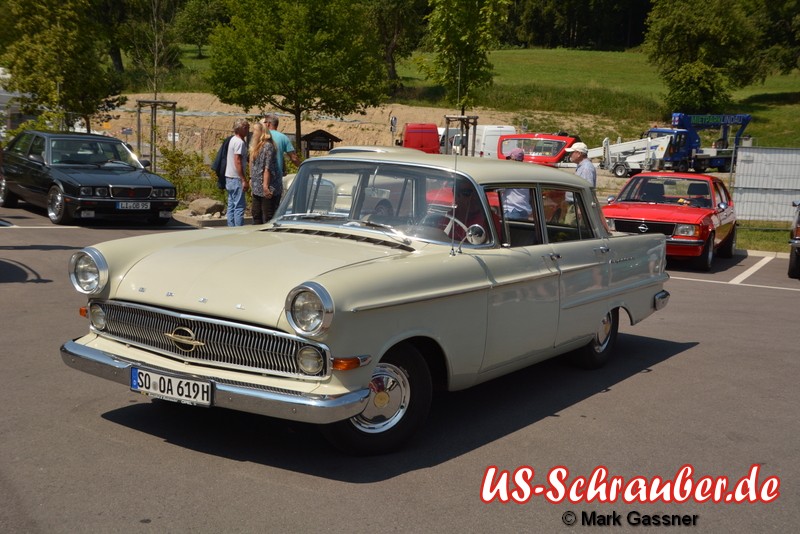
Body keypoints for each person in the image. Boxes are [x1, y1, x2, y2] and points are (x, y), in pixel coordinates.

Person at [248, 122, 280, 224]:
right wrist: (251, 178)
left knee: (268, 215)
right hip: (257, 185)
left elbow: (267, 167)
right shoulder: (256, 146)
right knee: (256, 213)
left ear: (261, 132)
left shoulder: (268, 146)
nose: (253, 133)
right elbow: (252, 163)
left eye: (255, 131)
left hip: (268, 185)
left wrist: (265, 186)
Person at [225, 118, 250, 226]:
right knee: (239, 207)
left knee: (231, 205)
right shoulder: (240, 142)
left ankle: (231, 228)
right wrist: (243, 179)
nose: (248, 130)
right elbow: (238, 161)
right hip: (236, 178)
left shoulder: (233, 140)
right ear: (240, 129)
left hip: (229, 177)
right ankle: (238, 230)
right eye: (246, 128)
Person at [261, 114, 300, 179]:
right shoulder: (283, 138)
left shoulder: (261, 136)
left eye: (265, 122)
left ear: (268, 124)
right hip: (277, 176)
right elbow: (294, 158)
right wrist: (303, 167)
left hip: (261, 175)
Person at [503, 148, 532, 220]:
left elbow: (501, 188)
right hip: (524, 210)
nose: (507, 160)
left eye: (509, 158)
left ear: (513, 158)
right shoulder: (527, 173)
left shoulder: (511, 173)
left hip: (512, 210)